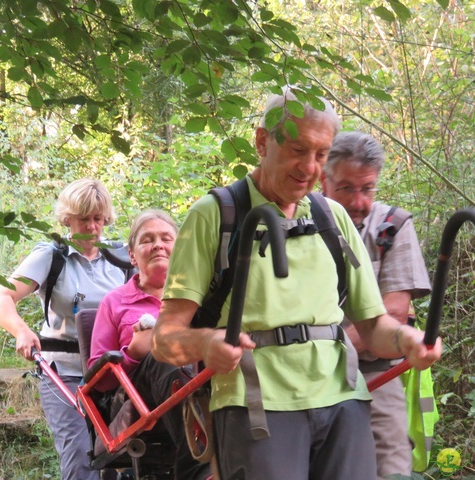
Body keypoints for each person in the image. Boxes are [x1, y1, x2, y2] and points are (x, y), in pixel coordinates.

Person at [151, 87, 442, 480]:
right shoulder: (215, 216)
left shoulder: (331, 217)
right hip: (256, 405)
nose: (309, 167)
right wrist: (204, 343)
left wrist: (406, 341)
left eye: (321, 155)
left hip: (344, 401)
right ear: (261, 141)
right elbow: (164, 337)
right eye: (296, 149)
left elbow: (373, 326)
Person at [0, 178, 127, 480]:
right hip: (63, 371)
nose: (92, 226)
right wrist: (21, 331)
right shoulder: (52, 256)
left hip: (114, 373)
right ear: (68, 219)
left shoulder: (122, 259)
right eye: (84, 218)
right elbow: (0, 297)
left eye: (98, 218)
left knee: (120, 459)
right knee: (80, 459)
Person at [321, 131, 433, 479]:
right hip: (298, 380)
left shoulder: (392, 226)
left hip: (375, 374)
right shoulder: (297, 219)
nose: (358, 201)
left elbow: (394, 313)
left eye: (367, 188)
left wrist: (318, 351)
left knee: (390, 467)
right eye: (346, 188)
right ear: (323, 180)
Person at [89, 209, 212, 480]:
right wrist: (133, 353)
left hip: (201, 385)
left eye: (167, 238)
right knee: (162, 350)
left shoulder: (202, 295)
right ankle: (203, 470)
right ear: (132, 255)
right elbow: (98, 383)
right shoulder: (115, 302)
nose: (158, 244)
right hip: (135, 398)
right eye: (147, 240)